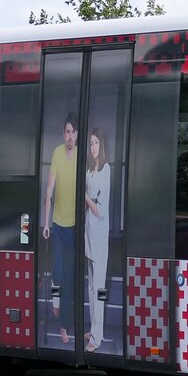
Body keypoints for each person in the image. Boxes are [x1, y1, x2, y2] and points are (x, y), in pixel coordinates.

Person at [42, 112, 78, 345]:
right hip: (57, 223)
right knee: (56, 272)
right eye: (67, 131)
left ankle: (64, 327)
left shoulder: (81, 155)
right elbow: (49, 191)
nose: (70, 136)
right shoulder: (56, 152)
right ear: (63, 133)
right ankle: (55, 303)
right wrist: (46, 223)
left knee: (68, 278)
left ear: (77, 134)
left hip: (74, 227)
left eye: (73, 132)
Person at [84, 126, 112, 353]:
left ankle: (98, 335)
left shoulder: (105, 170)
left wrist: (85, 197)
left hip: (99, 235)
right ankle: (94, 328)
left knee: (99, 286)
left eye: (96, 143)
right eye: (91, 143)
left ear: (102, 146)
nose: (93, 147)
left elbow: (100, 210)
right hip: (88, 234)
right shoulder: (89, 169)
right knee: (92, 285)